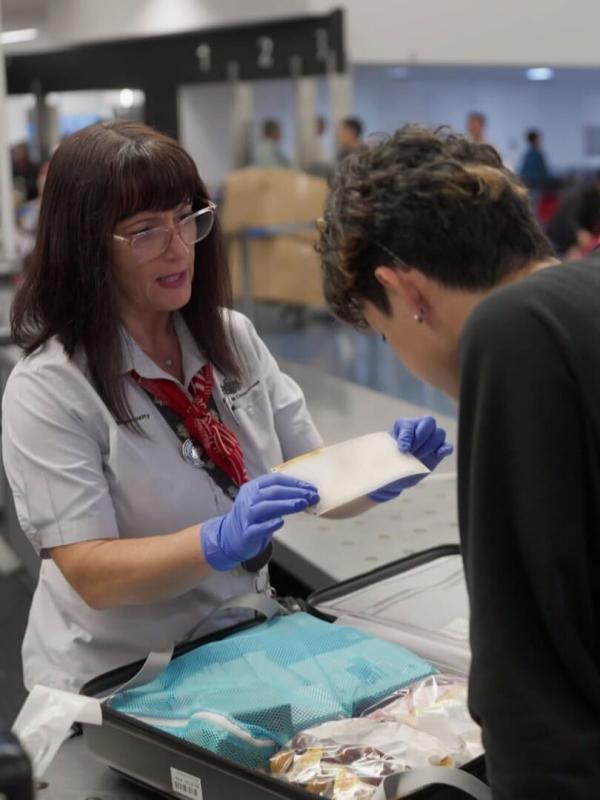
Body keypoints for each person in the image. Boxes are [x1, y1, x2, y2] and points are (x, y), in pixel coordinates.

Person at [2, 121, 451, 693]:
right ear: (86, 247)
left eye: (186, 218)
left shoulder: (231, 338)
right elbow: (92, 573)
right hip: (117, 680)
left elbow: (312, 474)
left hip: (239, 648)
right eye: (145, 231)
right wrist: (216, 540)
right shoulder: (51, 388)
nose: (178, 246)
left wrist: (385, 466)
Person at [318, 124, 600, 798]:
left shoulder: (514, 331)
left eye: (385, 335)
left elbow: (524, 663)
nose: (401, 358)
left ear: (406, 291)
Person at [546, 170, 600, 257]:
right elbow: (568, 218)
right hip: (561, 240)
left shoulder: (596, 195)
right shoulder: (579, 193)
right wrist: (578, 232)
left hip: (583, 243)